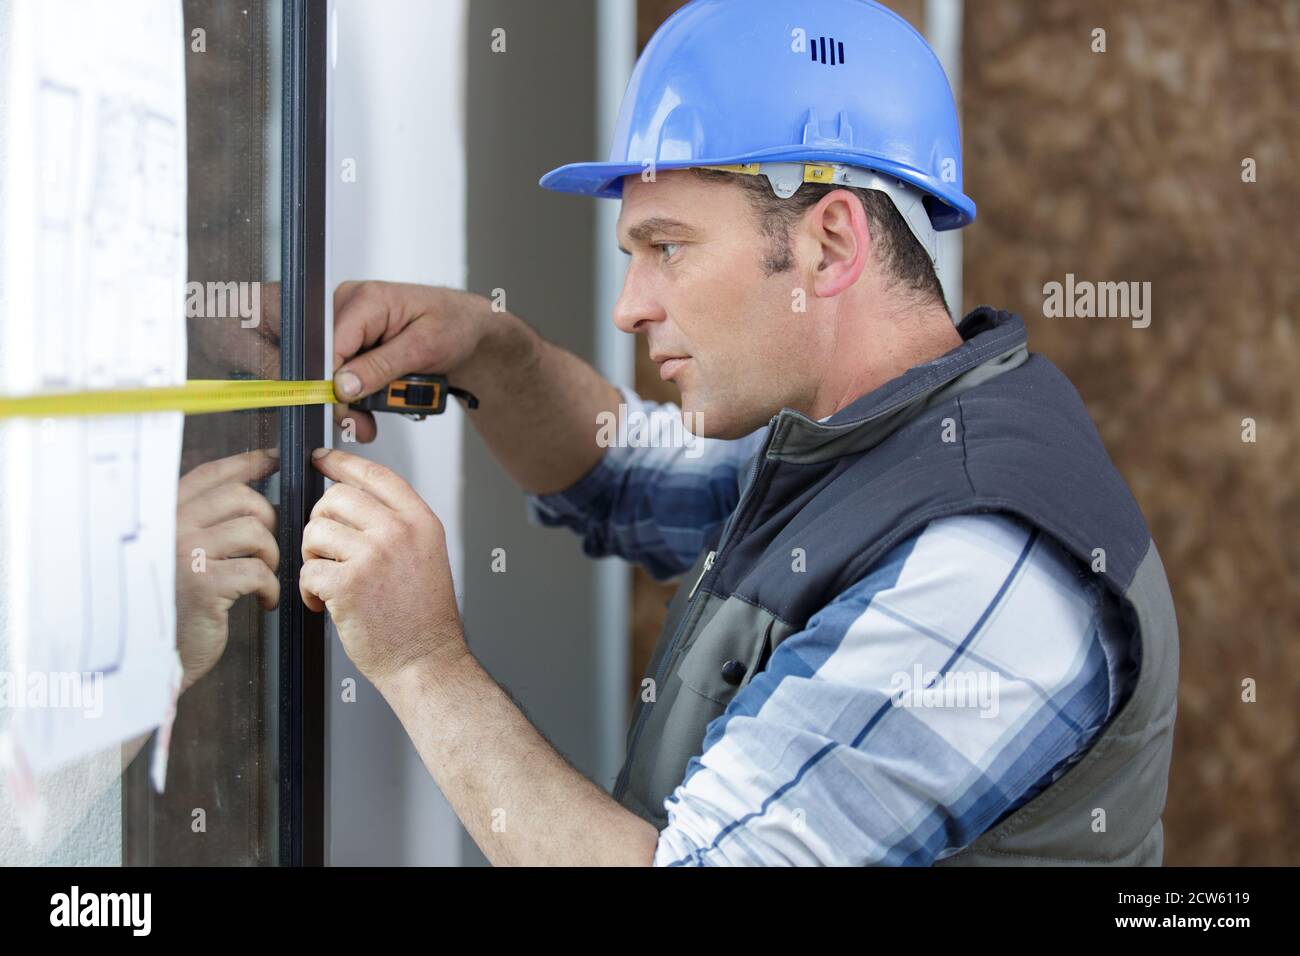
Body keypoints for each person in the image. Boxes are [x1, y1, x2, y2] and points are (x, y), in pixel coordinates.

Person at [301, 0, 1178, 865]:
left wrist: (422, 662)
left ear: (829, 246)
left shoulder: (976, 562)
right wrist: (488, 351)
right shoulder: (860, 442)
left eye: (667, 247)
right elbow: (623, 478)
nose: (628, 306)